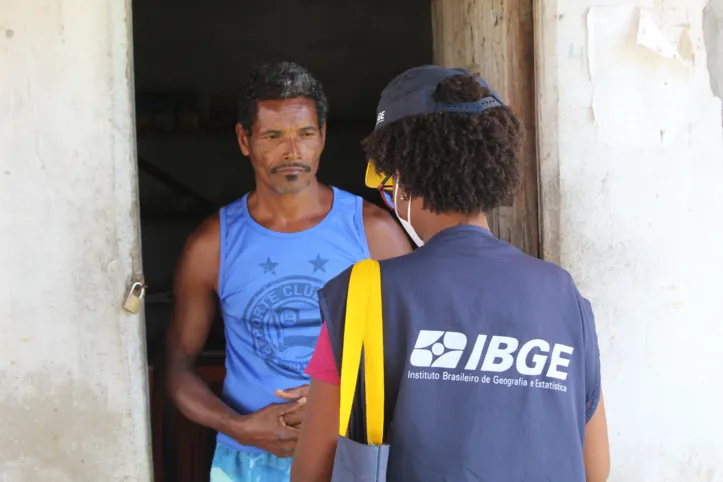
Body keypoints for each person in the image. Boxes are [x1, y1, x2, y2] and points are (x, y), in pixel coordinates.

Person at [291, 65, 610, 482]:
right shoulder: (563, 295)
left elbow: (310, 473)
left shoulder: (363, 295)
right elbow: (596, 468)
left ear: (399, 173)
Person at [165, 61, 412, 482]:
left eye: (305, 134)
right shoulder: (212, 245)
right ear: (245, 140)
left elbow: (417, 355)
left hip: (352, 458)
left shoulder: (375, 233)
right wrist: (237, 426)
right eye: (273, 136)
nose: (292, 152)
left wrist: (338, 398)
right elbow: (176, 369)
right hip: (246, 463)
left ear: (323, 137)